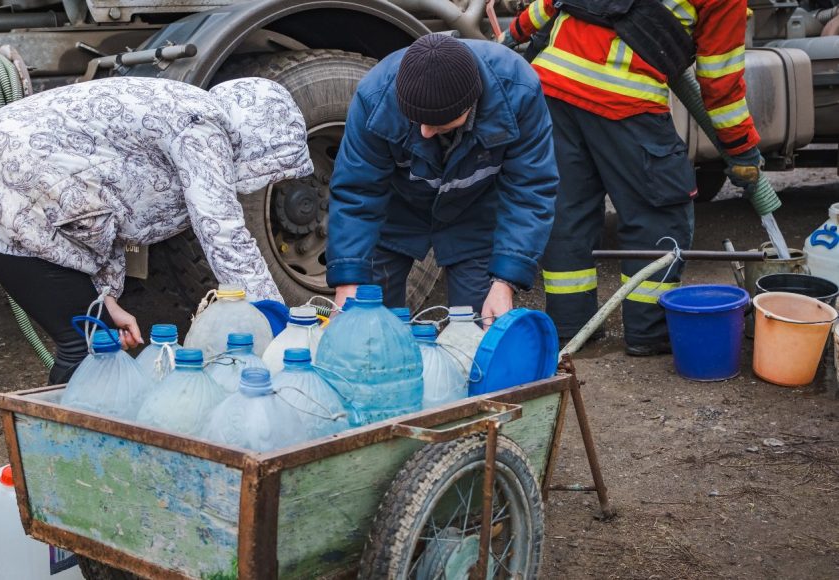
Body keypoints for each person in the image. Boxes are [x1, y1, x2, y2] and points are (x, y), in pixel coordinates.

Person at [0, 77, 312, 383]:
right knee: (85, 349)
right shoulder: (203, 127)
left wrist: (106, 298)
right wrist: (274, 318)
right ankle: (66, 455)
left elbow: (106, 203)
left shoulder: (184, 108)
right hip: (0, 185)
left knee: (95, 336)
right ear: (260, 135)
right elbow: (223, 232)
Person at [502, 0, 762, 355]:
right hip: (625, 100)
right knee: (658, 214)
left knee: (566, 214)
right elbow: (720, 84)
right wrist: (742, 149)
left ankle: (570, 324)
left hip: (552, 91)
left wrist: (513, 32)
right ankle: (649, 329)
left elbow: (550, 3)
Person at [326, 33, 558, 323]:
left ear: (470, 104)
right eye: (416, 119)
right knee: (368, 324)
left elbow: (530, 189)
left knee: (475, 328)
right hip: (396, 211)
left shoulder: (517, 92)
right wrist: (348, 279)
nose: (424, 132)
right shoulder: (376, 96)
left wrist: (505, 282)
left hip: (474, 212)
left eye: (438, 124)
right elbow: (356, 192)